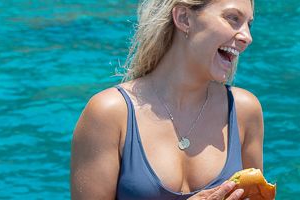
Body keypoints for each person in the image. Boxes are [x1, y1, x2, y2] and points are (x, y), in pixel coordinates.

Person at [70, 0, 263, 199]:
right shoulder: (108, 114)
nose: (247, 37)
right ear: (183, 18)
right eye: (233, 18)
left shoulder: (244, 111)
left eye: (249, 24)